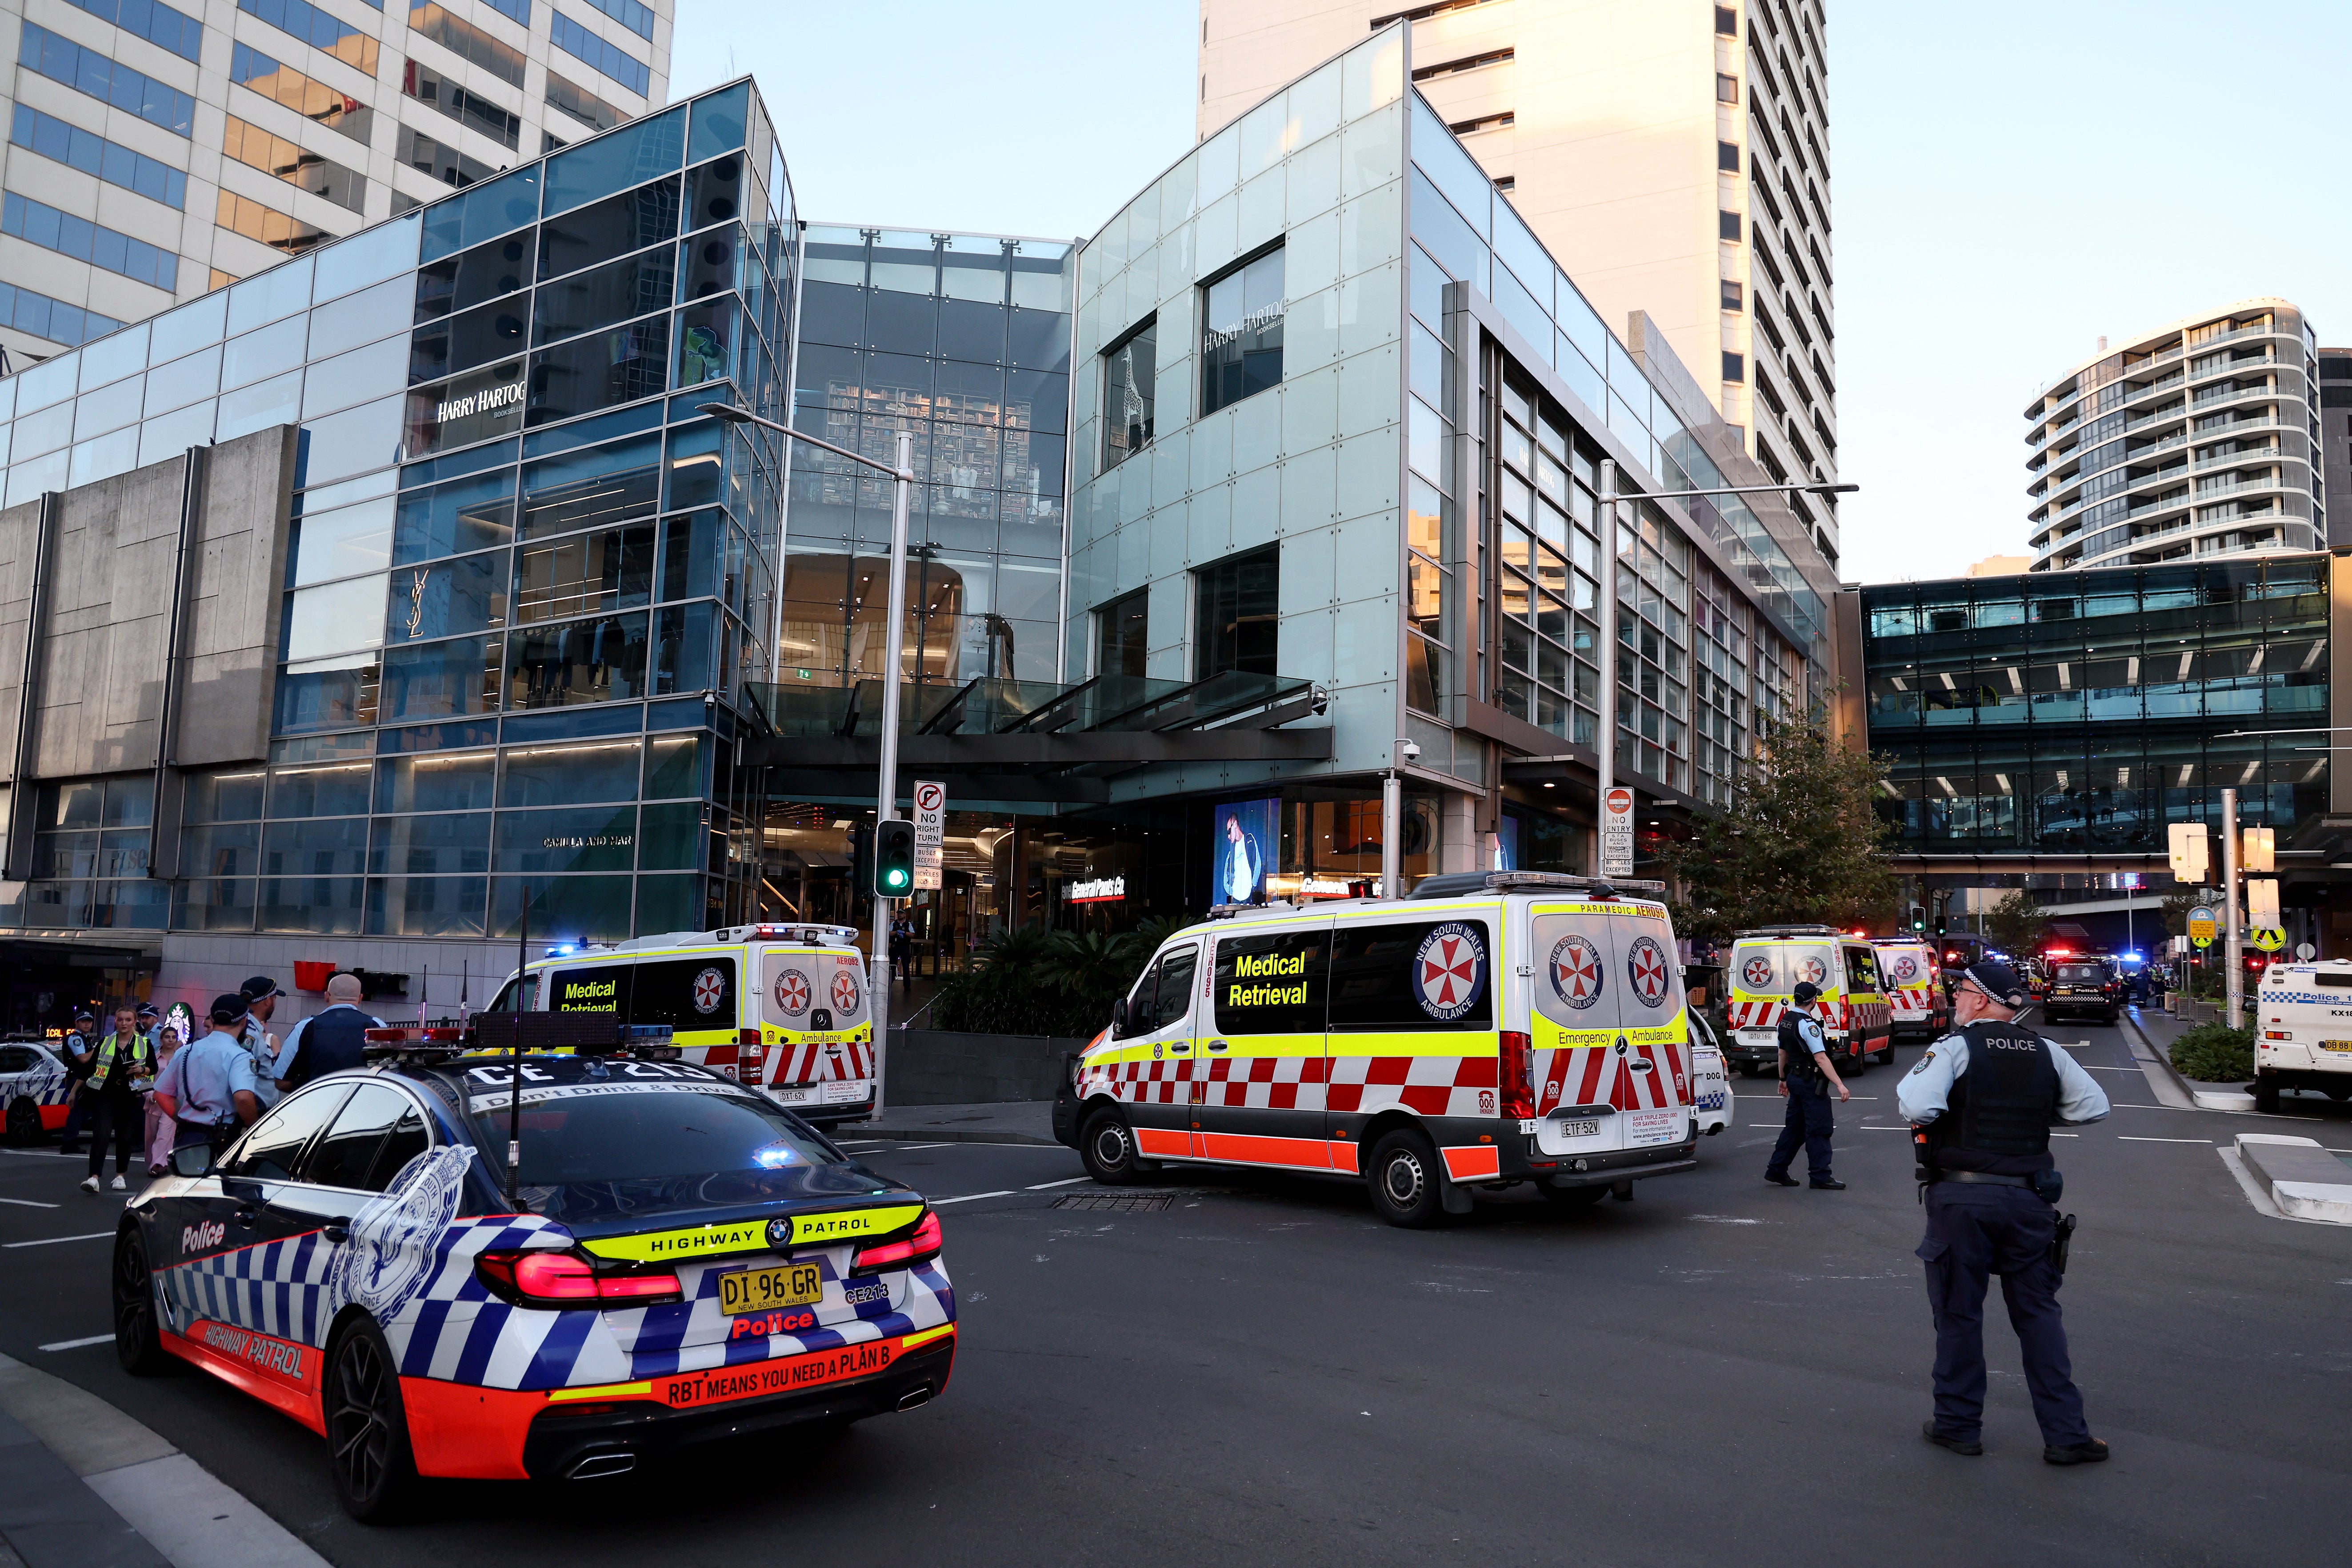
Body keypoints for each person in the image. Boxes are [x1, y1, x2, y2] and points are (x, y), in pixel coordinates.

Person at [1898, 958, 2112, 1465]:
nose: (1955, 1000)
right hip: (2028, 1201)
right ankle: (2066, 1436)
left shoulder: (1954, 1048)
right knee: (2039, 1316)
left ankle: (1958, 1426)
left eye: (1961, 992)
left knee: (1959, 1316)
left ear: (1980, 999)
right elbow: (2093, 1107)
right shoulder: (2048, 1051)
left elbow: (1918, 1107)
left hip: (1963, 1201)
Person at [152, 995, 264, 1157]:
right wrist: (255, 1127)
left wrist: (183, 1120)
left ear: (212, 1019)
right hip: (221, 1139)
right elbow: (243, 1098)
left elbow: (161, 1094)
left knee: (185, 1182)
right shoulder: (240, 1056)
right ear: (244, 1021)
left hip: (186, 1137)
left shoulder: (185, 1051)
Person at [1765, 979, 1849, 1190]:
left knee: (1794, 1128)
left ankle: (1777, 1169)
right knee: (1819, 1128)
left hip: (1794, 1079)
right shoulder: (1808, 1025)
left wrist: (1783, 1079)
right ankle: (1820, 1176)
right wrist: (1840, 1084)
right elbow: (1821, 1058)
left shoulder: (1785, 1020)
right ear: (1813, 1001)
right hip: (1810, 1081)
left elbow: (1782, 1052)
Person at [77, 1004, 155, 1193]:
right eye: (120, 1020)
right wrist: (73, 1093)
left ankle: (120, 1176)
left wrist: (141, 1070)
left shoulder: (144, 1043)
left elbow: (153, 1067)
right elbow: (89, 1070)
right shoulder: (105, 1042)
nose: (124, 1024)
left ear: (135, 1022)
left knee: (125, 1137)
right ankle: (94, 1178)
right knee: (101, 1136)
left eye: (128, 1020)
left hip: (130, 1096)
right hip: (105, 1095)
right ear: (116, 1021)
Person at [274, 973, 383, 1090]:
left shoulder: (306, 1027)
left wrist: (309, 1089)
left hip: (317, 1103)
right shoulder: (378, 1026)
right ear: (361, 998)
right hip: (364, 1102)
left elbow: (281, 1081)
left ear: (326, 996)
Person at [237, 976, 285, 1109]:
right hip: (254, 1112)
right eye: (275, 999)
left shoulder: (250, 1029)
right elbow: (243, 1080)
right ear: (268, 1001)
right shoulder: (250, 1033)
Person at [56, 1008, 98, 1154]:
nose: (87, 1024)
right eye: (83, 1022)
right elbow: (84, 1059)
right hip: (77, 1078)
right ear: (77, 1023)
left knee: (83, 1112)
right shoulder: (76, 1039)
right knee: (78, 1112)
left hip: (83, 1078)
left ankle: (70, 1141)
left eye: (89, 1022)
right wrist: (99, 1048)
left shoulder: (85, 1038)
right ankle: (68, 1143)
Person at [143, 1022, 183, 1176]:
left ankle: (158, 1164)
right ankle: (155, 1161)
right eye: (167, 1037)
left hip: (173, 1102)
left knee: (165, 1134)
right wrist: (149, 1095)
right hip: (154, 1101)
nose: (171, 1040)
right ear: (161, 1040)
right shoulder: (153, 1058)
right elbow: (144, 1080)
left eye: (174, 1037)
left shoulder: (181, 1058)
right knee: (151, 1136)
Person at [1219, 812, 1264, 904]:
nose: (1228, 836)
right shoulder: (1231, 850)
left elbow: (1257, 863)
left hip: (1249, 896)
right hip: (1235, 898)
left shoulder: (1249, 840)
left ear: (1235, 825)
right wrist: (1230, 892)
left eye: (1229, 831)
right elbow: (1227, 872)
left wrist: (1253, 886)